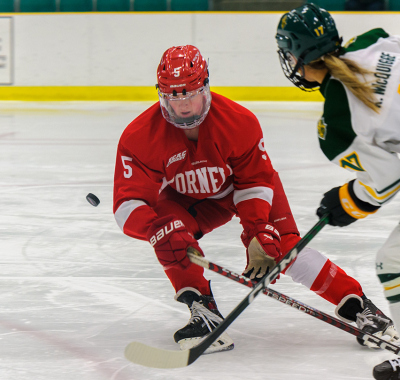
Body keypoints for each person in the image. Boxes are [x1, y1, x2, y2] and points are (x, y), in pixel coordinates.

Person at [113, 44, 397, 358]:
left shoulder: (238, 121)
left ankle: (361, 307)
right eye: (173, 98)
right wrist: (156, 229)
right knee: (168, 231)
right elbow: (127, 204)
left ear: (206, 87)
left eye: (190, 95)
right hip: (191, 203)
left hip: (244, 190)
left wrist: (259, 230)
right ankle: (203, 312)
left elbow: (253, 183)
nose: (182, 107)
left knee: (284, 247)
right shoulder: (139, 136)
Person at [275, 3, 400, 380]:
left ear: (302, 57)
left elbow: (387, 179)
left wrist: (344, 202)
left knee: (393, 260)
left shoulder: (337, 123)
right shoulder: (373, 40)